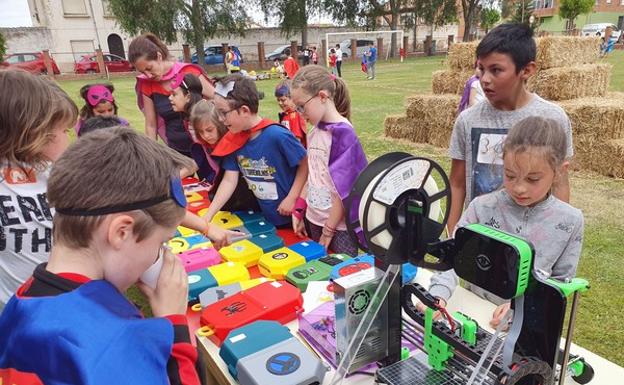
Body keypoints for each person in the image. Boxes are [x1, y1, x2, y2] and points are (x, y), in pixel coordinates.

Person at [0, 128, 208, 384]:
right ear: (122, 232)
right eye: (161, 243)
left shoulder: (24, 298)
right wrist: (174, 326)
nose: (159, 256)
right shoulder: (116, 341)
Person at [426, 116, 584, 329]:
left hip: (528, 327)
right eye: (510, 175)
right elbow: (452, 259)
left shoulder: (570, 221)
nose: (519, 188)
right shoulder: (481, 208)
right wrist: (437, 296)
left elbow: (560, 285)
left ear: (559, 172)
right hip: (473, 314)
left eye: (532, 179)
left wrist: (522, 308)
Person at [446, 23, 573, 235]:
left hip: (532, 237)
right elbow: (457, 184)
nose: (485, 79)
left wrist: (557, 234)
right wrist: (452, 235)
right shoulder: (467, 120)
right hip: (480, 236)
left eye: (496, 70)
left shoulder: (553, 118)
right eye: (481, 69)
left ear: (527, 70)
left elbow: (560, 183)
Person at [0, 70, 78, 311]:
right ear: (34, 131)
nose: (69, 139)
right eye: (64, 131)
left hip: (70, 299)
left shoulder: (59, 176)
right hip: (16, 308)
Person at [204, 74, 308, 228]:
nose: (220, 119)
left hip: (294, 218)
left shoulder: (277, 135)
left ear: (244, 110)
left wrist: (293, 198)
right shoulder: (235, 139)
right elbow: (228, 180)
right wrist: (207, 217)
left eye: (223, 112)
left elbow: (305, 164)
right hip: (266, 218)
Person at [290, 66, 368, 256]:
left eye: (302, 106)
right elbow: (313, 175)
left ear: (322, 97)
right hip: (314, 219)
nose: (300, 113)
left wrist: (329, 230)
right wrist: (299, 209)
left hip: (337, 228)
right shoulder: (314, 132)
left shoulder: (343, 134)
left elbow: (344, 190)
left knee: (342, 276)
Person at [129, 33, 215, 157]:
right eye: (143, 72)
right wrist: (150, 156)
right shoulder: (147, 85)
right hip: (176, 150)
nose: (148, 75)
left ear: (159, 56)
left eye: (149, 68)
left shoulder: (188, 72)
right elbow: (151, 125)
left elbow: (217, 99)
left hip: (205, 146)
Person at [187, 100, 260, 212]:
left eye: (209, 130)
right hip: (229, 196)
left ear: (220, 123)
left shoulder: (234, 142)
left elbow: (230, 179)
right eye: (200, 132)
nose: (206, 136)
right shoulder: (205, 145)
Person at [274, 79, 307, 145]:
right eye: (278, 100)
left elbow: (296, 140)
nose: (280, 103)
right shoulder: (285, 114)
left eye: (283, 100)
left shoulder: (294, 116)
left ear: (293, 98)